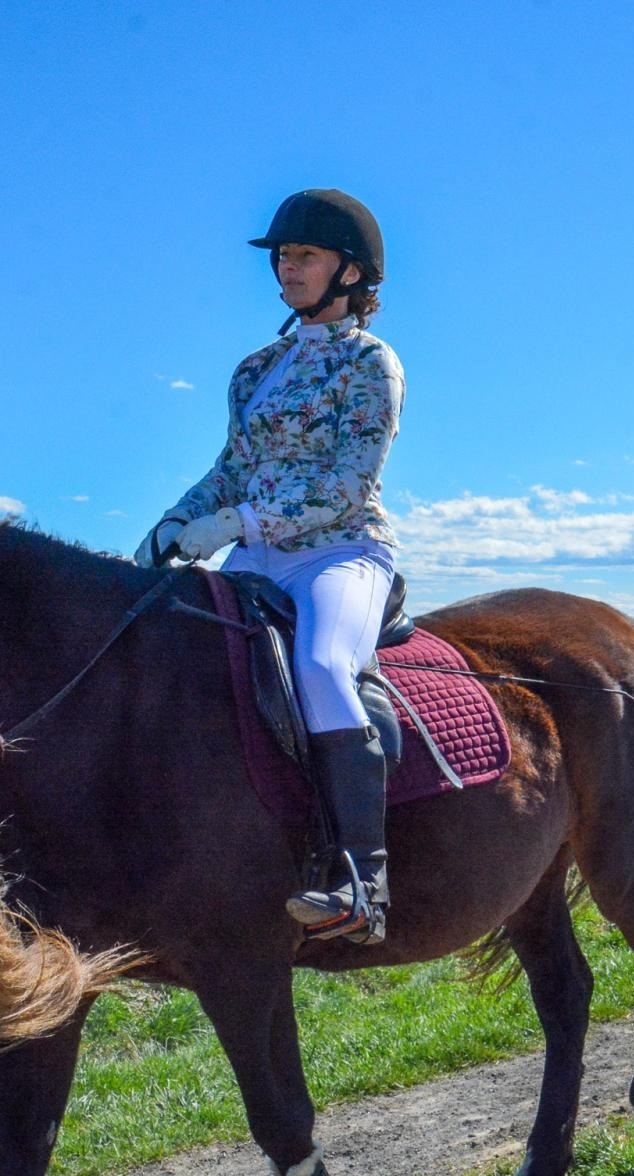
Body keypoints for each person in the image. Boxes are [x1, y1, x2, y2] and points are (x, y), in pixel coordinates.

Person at [134, 189, 404, 944]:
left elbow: (347, 482)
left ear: (350, 272)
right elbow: (230, 468)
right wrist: (177, 520)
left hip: (341, 551)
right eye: (283, 255)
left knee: (320, 666)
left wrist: (239, 522)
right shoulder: (257, 368)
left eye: (305, 255)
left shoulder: (371, 364)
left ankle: (362, 880)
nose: (288, 266)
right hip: (254, 554)